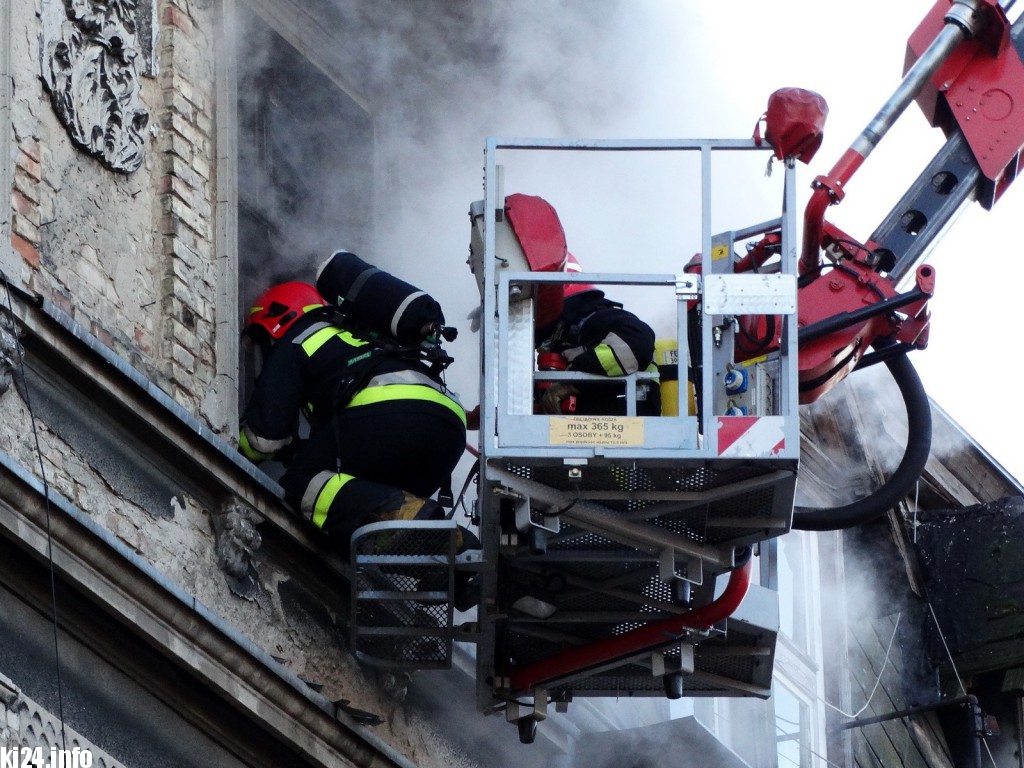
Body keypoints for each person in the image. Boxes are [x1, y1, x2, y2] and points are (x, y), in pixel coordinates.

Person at [238, 250, 474, 553]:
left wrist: (232, 444)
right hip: (447, 430)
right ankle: (453, 551)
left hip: (391, 415)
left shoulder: (298, 334)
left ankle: (408, 515)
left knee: (302, 484)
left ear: (275, 320)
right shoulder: (360, 337)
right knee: (365, 507)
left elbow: (265, 438)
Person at [534, 253, 660, 416]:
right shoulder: (589, 326)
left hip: (628, 425)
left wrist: (568, 384)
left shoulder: (599, 320)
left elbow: (636, 343)